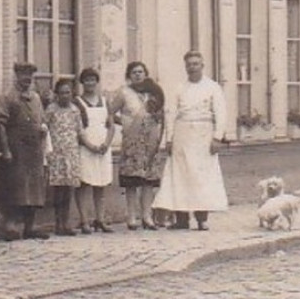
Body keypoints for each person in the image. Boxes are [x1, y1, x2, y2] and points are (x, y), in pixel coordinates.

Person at [152, 51, 231, 230]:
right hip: (182, 135)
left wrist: (217, 137)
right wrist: (169, 139)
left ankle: (202, 219)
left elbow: (221, 113)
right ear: (185, 66)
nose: (192, 67)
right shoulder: (179, 87)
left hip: (204, 136)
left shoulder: (213, 87)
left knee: (201, 177)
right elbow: (170, 113)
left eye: (196, 64)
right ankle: (182, 219)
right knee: (180, 177)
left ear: (202, 66)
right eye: (189, 64)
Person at [0, 62, 51, 239]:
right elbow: (1, 124)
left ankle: (30, 226)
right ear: (16, 75)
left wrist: (42, 128)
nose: (26, 79)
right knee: (17, 187)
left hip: (34, 150)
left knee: (35, 188)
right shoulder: (7, 97)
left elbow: (42, 119)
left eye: (30, 76)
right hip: (17, 149)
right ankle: (12, 226)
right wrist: (6, 150)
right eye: (23, 75)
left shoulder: (35, 98)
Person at [110, 60, 166, 230]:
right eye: (134, 72)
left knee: (148, 181)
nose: (138, 75)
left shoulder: (154, 92)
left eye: (141, 71)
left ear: (145, 74)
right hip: (132, 143)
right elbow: (110, 113)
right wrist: (125, 124)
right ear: (129, 76)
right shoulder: (124, 93)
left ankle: (147, 216)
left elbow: (162, 115)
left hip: (150, 143)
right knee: (132, 181)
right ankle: (132, 217)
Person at [74, 67, 117, 232]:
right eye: (87, 80)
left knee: (101, 184)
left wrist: (107, 143)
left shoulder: (105, 101)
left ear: (97, 82)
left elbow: (111, 126)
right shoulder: (77, 102)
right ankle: (84, 220)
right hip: (86, 146)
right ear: (82, 82)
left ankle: (100, 219)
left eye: (93, 79)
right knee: (85, 183)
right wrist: (90, 146)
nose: (90, 83)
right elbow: (78, 130)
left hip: (103, 147)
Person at [44, 75, 84, 235]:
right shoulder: (51, 110)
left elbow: (79, 131)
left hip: (71, 153)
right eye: (62, 93)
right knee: (57, 189)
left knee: (68, 189)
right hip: (56, 154)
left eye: (68, 92)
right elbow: (45, 129)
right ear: (56, 94)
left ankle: (66, 222)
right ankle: (58, 222)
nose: (65, 96)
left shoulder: (75, 110)